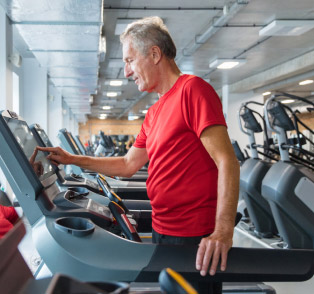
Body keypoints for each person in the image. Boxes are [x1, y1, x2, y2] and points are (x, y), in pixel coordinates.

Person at [37, 16, 239, 282]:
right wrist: (71, 159)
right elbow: (128, 164)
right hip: (162, 228)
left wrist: (223, 231)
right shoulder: (154, 112)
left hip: (193, 236)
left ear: (154, 54)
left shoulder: (193, 91)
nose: (127, 71)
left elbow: (227, 161)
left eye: (129, 61)